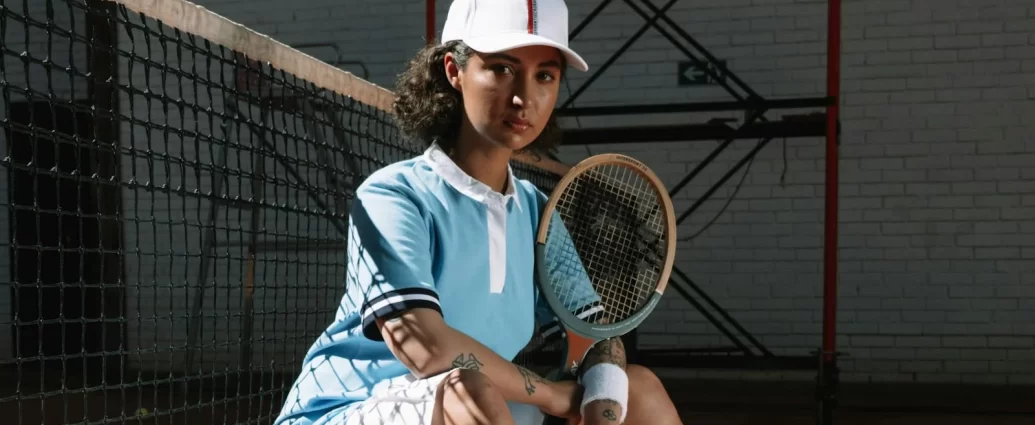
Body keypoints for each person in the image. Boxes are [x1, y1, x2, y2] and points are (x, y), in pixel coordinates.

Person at [273, 0, 682, 424]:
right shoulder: (393, 195)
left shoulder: (537, 212)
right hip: (349, 410)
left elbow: (597, 336)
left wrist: (604, 399)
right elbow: (425, 348)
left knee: (640, 389)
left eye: (545, 75)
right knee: (465, 390)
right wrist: (550, 396)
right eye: (502, 69)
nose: (525, 97)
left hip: (484, 406)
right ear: (454, 70)